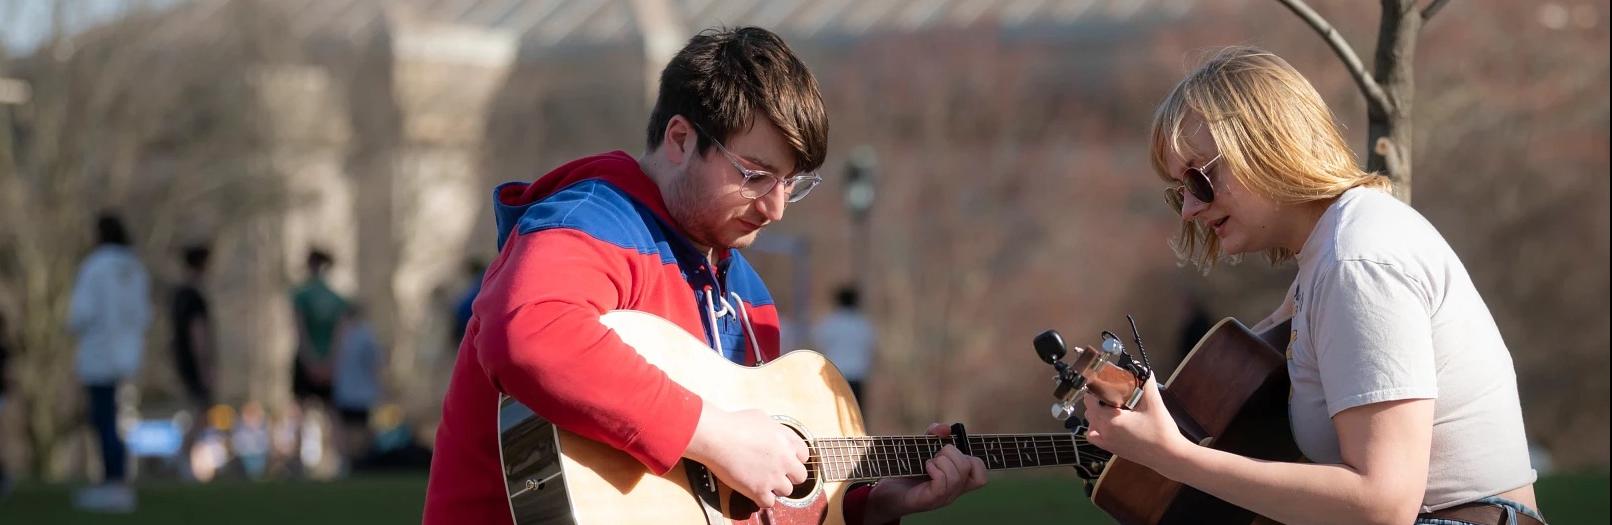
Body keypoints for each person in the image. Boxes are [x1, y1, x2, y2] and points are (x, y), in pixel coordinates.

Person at [424, 26, 986, 525]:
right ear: (679, 139)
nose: (775, 209)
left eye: (792, 183)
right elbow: (529, 336)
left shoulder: (749, 297)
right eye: (756, 174)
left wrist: (869, 504)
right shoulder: (589, 220)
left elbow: (722, 502)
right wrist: (716, 433)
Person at [1082, 47, 1543, 525]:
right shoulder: (1330, 257)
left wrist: (1173, 456)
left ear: (1268, 145)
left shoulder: (1356, 261)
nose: (1189, 211)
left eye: (1200, 179)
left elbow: (1380, 504)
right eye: (1180, 191)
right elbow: (1228, 381)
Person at [67, 213, 152, 513]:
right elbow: (144, 314)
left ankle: (113, 481)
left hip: (99, 354)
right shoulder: (135, 269)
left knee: (103, 418)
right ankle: (117, 477)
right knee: (118, 417)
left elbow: (79, 314)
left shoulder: (95, 267)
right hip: (127, 354)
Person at [170, 243, 215, 479]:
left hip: (181, 361)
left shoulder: (178, 296)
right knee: (200, 413)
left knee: (195, 412)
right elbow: (198, 333)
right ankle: (182, 457)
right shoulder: (194, 297)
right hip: (193, 364)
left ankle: (183, 457)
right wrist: (205, 365)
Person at [290, 249, 347, 408]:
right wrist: (331, 363)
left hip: (307, 360)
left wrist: (310, 362)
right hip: (329, 363)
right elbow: (340, 336)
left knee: (300, 412)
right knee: (333, 415)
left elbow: (300, 331)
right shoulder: (337, 299)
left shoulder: (301, 295)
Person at [331, 303, 382, 472]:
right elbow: (375, 363)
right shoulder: (363, 334)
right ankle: (358, 462)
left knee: (352, 430)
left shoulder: (345, 335)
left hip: (350, 391)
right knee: (358, 430)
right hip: (357, 392)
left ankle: (355, 462)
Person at [810, 284, 876, 403]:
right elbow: (870, 346)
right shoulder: (862, 323)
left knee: (835, 413)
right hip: (857, 374)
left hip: (836, 373)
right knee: (855, 415)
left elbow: (818, 342)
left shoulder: (830, 322)